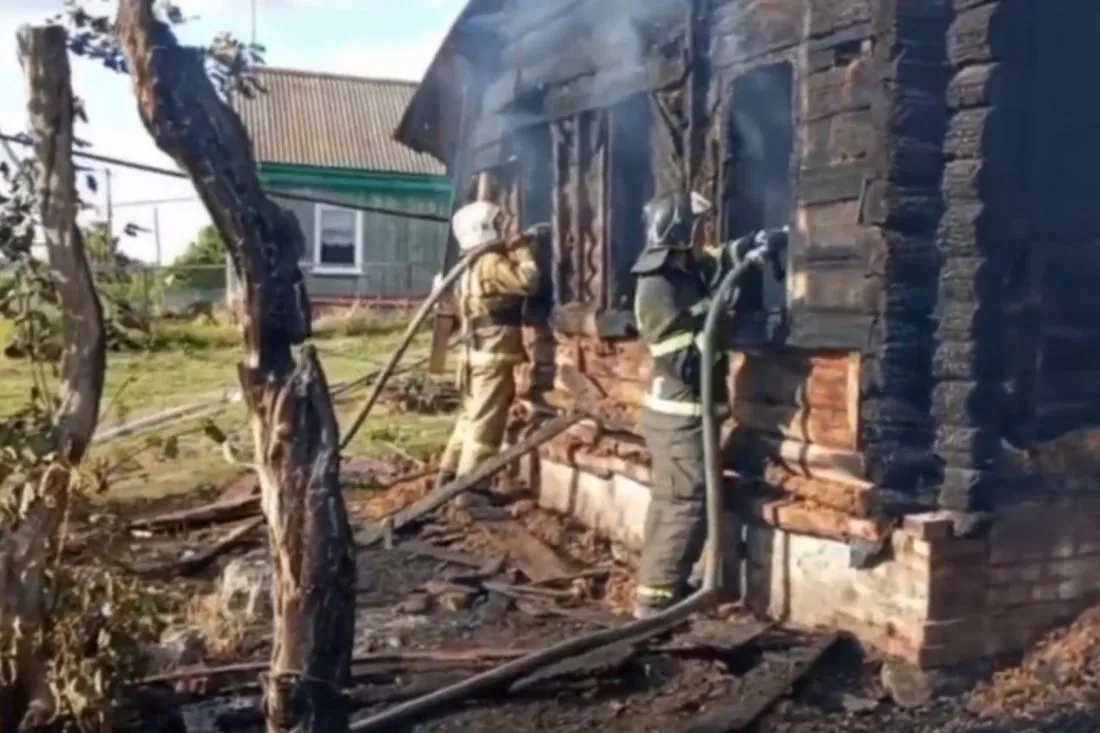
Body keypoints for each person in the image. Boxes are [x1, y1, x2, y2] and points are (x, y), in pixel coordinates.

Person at [630, 189, 787, 619]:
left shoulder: (681, 267)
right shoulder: (658, 288)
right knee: (686, 500)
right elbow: (686, 361)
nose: (705, 237)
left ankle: (660, 587)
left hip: (687, 415)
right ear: (681, 233)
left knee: (673, 499)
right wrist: (724, 314)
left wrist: (758, 242)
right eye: (698, 229)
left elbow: (718, 258)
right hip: (680, 417)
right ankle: (659, 602)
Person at [436, 197, 547, 506]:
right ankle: (472, 491)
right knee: (486, 423)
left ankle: (448, 478)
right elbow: (529, 282)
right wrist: (522, 249)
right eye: (497, 225)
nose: (501, 230)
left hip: (475, 353)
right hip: (492, 353)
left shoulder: (466, 265)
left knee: (469, 418)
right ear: (484, 229)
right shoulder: (490, 262)